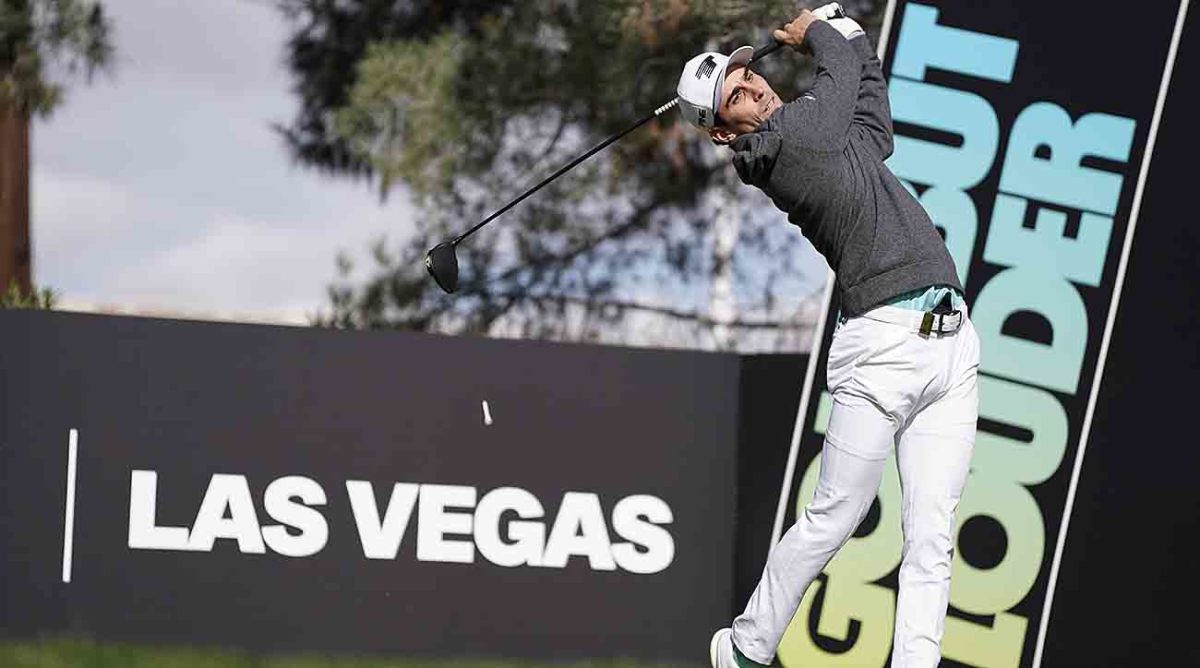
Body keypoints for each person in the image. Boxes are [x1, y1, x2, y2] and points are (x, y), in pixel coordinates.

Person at [675, 4, 981, 668]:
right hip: (880, 347)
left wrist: (846, 30)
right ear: (724, 133)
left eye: (745, 74)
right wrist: (815, 28)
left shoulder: (826, 136)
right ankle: (746, 648)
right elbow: (841, 75)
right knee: (836, 515)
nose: (752, 85)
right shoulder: (788, 140)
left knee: (932, 536)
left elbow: (868, 107)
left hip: (951, 346)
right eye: (734, 95)